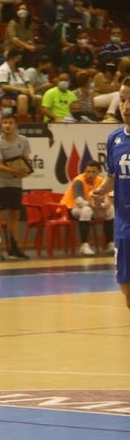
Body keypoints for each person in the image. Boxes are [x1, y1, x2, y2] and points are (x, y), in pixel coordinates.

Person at [92, 86, 130, 308]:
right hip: (124, 225)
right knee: (126, 288)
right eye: (123, 100)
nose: (126, 106)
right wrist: (101, 191)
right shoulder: (114, 138)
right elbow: (112, 177)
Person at [0, 113, 32, 261]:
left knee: (15, 215)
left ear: (16, 125)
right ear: (1, 125)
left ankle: (14, 248)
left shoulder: (23, 141)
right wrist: (17, 172)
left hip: (15, 183)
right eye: (4, 122)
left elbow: (25, 160)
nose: (7, 125)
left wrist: (25, 171)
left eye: (10, 123)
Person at [64, 161, 114, 255]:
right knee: (86, 211)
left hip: (92, 208)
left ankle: (110, 244)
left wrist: (104, 205)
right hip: (73, 209)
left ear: (98, 172)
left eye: (93, 172)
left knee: (111, 210)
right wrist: (94, 205)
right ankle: (84, 246)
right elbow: (79, 201)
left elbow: (106, 199)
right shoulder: (79, 181)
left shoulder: (101, 181)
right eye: (88, 171)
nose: (90, 174)